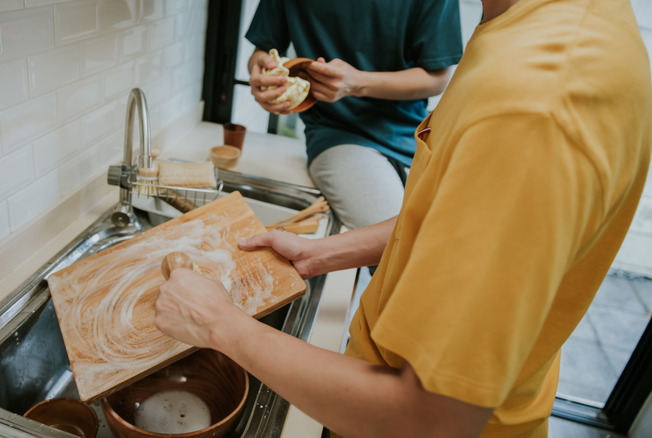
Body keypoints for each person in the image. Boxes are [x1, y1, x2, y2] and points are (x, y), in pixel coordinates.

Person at [156, 0, 652, 436]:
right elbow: (458, 219)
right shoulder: (533, 28)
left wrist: (219, 325)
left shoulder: (536, 102)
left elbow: (429, 421)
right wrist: (323, 252)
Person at [245, 0, 463, 230]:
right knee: (403, 241)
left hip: (419, 136)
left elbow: (438, 78)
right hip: (337, 133)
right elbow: (262, 50)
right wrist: (261, 74)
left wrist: (358, 83)